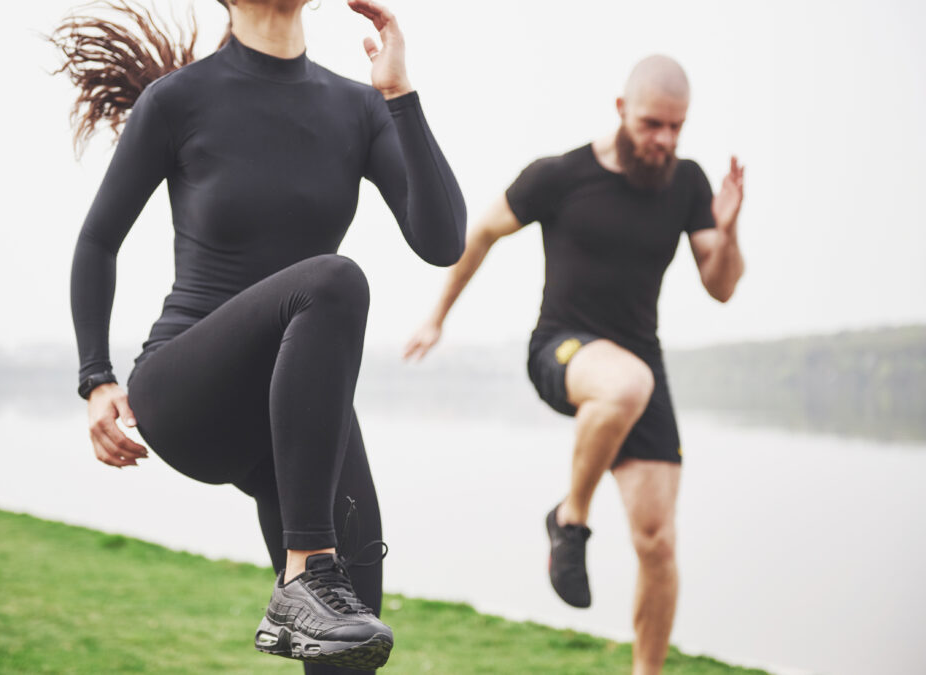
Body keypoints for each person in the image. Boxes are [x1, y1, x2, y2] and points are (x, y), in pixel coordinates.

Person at [54, 0, 466, 671]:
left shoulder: (357, 107)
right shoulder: (177, 101)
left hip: (295, 415)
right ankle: (304, 571)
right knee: (333, 281)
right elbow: (98, 241)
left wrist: (398, 94)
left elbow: (442, 240)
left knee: (353, 642)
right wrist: (96, 377)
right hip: (187, 389)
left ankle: (313, 580)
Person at [404, 55, 744, 675]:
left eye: (677, 127)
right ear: (621, 109)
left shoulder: (688, 183)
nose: (665, 140)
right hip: (561, 349)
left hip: (641, 367)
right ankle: (571, 519)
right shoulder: (560, 176)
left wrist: (728, 231)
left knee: (658, 541)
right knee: (625, 383)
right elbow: (479, 233)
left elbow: (720, 286)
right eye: (652, 124)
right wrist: (437, 316)